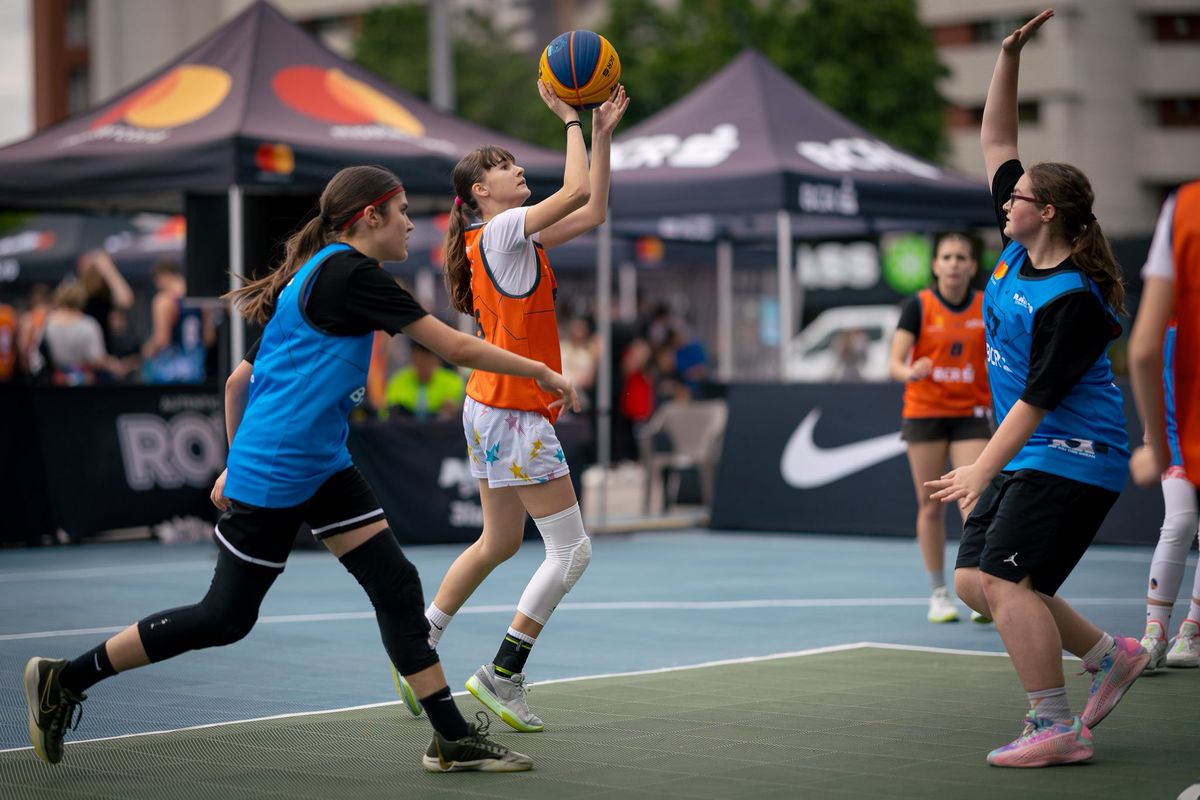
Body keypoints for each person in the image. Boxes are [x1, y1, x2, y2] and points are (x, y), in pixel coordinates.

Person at [23, 164, 584, 773]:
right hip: (283, 465)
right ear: (369, 217)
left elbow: (238, 382)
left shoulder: (312, 273)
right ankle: (65, 678)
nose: (409, 224)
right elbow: (453, 345)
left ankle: (451, 738)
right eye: (401, 213)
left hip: (320, 462)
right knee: (224, 617)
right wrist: (541, 370)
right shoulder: (352, 275)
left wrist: (232, 460)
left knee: (396, 585)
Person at [926, 9, 1148, 768]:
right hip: (1032, 453)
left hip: (1075, 453)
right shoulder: (1017, 254)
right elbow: (997, 139)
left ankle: (1056, 727)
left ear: (1046, 212)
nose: (1004, 201)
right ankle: (1110, 656)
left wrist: (980, 467)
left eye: (1017, 197)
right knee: (972, 582)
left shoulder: (1075, 300)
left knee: (1005, 579)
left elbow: (1038, 400)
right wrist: (1008, 55)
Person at [392, 81, 628, 733]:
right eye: (504, 166)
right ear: (480, 192)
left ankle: (419, 646)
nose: (518, 169)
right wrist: (571, 119)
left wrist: (601, 134)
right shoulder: (498, 231)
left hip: (490, 406)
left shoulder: (507, 239)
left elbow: (593, 208)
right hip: (516, 411)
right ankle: (504, 671)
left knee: (498, 541)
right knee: (571, 552)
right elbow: (574, 190)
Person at [888, 234, 992, 624]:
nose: (953, 263)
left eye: (961, 257)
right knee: (930, 504)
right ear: (935, 265)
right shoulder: (918, 305)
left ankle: (979, 589)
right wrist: (910, 371)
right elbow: (893, 363)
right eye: (946, 257)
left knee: (973, 499)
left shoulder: (986, 304)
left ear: (971, 266)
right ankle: (939, 593)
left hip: (970, 413)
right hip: (925, 413)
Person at [1128, 178, 1200, 669]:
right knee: (1179, 521)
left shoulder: (1184, 206)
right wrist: (1154, 440)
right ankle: (1154, 632)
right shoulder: (1168, 319)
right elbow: (1144, 355)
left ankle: (1191, 630)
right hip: (1176, 436)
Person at [41, 280, 130, 385]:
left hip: (55, 379)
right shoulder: (88, 325)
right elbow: (97, 359)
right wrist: (113, 364)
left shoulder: (47, 322)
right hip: (83, 380)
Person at [141, 260, 212, 384]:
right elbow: (209, 338)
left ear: (164, 275)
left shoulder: (164, 300)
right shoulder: (201, 299)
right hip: (196, 370)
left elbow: (162, 339)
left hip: (169, 373)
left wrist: (148, 350)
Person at [384, 339, 466, 420]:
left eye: (429, 359)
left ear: (438, 360)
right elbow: (386, 414)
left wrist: (455, 411)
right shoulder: (397, 382)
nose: (424, 365)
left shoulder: (454, 382)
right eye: (419, 359)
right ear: (412, 359)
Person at [78, 249, 134, 355]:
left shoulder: (106, 292)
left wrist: (109, 270)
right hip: (85, 353)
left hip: (105, 350)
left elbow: (126, 300)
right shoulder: (80, 292)